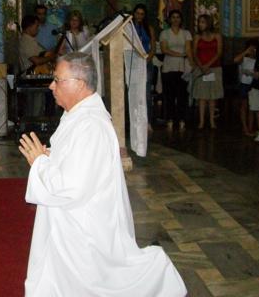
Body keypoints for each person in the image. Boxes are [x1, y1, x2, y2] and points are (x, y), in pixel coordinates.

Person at [18, 52, 187, 297]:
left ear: (79, 83)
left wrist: (40, 164)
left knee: (97, 282)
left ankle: (161, 280)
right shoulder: (77, 115)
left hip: (85, 226)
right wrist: (50, 155)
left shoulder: (90, 125)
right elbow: (76, 161)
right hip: (76, 219)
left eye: (58, 79)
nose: (51, 85)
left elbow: (73, 186)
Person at [159, 9, 193, 131]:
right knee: (170, 96)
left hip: (182, 68)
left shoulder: (186, 33)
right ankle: (170, 119)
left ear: (181, 19)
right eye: (173, 17)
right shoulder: (164, 33)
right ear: (169, 19)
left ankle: (182, 119)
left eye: (178, 17)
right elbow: (164, 49)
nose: (175, 19)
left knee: (182, 95)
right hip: (169, 67)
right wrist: (179, 54)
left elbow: (188, 50)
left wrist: (191, 63)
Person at [192, 14, 223, 130]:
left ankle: (212, 120)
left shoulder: (217, 36)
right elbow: (194, 53)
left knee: (212, 96)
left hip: (214, 68)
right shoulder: (197, 37)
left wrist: (208, 65)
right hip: (201, 68)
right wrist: (201, 66)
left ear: (208, 23)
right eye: (199, 22)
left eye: (203, 22)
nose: (201, 24)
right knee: (202, 96)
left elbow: (219, 52)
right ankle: (201, 121)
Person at [132, 4, 156, 127]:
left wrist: (147, 60)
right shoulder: (129, 28)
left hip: (146, 63)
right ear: (134, 14)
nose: (139, 16)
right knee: (135, 93)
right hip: (134, 64)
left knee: (146, 94)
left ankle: (148, 122)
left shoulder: (149, 28)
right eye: (137, 13)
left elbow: (153, 48)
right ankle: (135, 121)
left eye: (142, 14)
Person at [233, 38, 258, 137]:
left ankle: (250, 127)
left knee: (252, 107)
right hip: (244, 83)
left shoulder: (258, 58)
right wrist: (246, 52)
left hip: (254, 83)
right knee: (244, 106)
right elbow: (235, 60)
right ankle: (245, 127)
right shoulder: (244, 57)